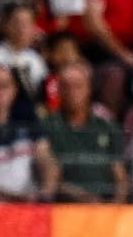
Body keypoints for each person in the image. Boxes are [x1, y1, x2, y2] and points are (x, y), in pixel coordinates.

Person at [40, 61, 125, 201]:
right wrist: (85, 198)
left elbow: (120, 176)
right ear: (59, 90)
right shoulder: (47, 127)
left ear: (88, 89)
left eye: (78, 86)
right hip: (65, 207)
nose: (72, 92)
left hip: (105, 209)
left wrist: (115, 207)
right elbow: (49, 178)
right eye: (66, 87)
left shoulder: (106, 127)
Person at [0, 61, 54, 200]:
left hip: (33, 203)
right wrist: (18, 199)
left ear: (14, 89)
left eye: (4, 86)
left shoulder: (27, 117)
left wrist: (46, 191)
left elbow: (45, 158)